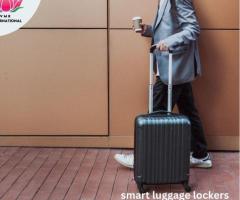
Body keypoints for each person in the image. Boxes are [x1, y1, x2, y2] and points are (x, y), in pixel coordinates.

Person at [114, 0, 212, 169]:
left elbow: (192, 29)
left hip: (173, 65)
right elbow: (168, 27)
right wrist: (149, 30)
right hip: (174, 66)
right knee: (188, 110)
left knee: (155, 113)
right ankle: (201, 155)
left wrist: (171, 42)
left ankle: (141, 159)